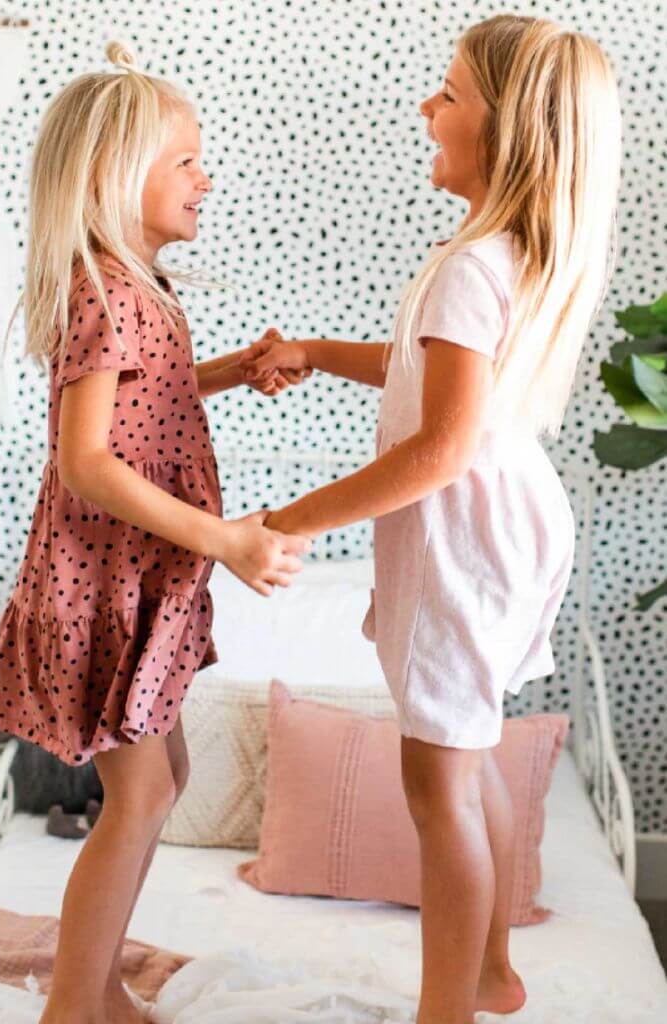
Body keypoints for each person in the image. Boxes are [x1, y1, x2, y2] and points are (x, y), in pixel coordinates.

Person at [240, 14, 622, 1024]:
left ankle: (445, 1005)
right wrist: (319, 350)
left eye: (447, 95)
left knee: (435, 789)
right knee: (469, 753)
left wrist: (291, 516)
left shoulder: (471, 264)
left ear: (506, 131)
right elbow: (424, 372)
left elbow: (435, 447)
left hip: (463, 537)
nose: (425, 108)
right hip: (507, 527)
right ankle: (489, 968)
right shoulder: (501, 258)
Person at [0, 41, 310, 1024]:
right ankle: (77, 1007)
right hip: (106, 580)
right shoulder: (103, 290)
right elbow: (87, 459)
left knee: (159, 779)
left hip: (137, 574)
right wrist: (222, 538)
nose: (204, 177)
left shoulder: (141, 290)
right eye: (185, 160)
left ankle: (98, 993)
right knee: (136, 796)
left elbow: (143, 400)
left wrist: (221, 371)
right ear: (114, 179)